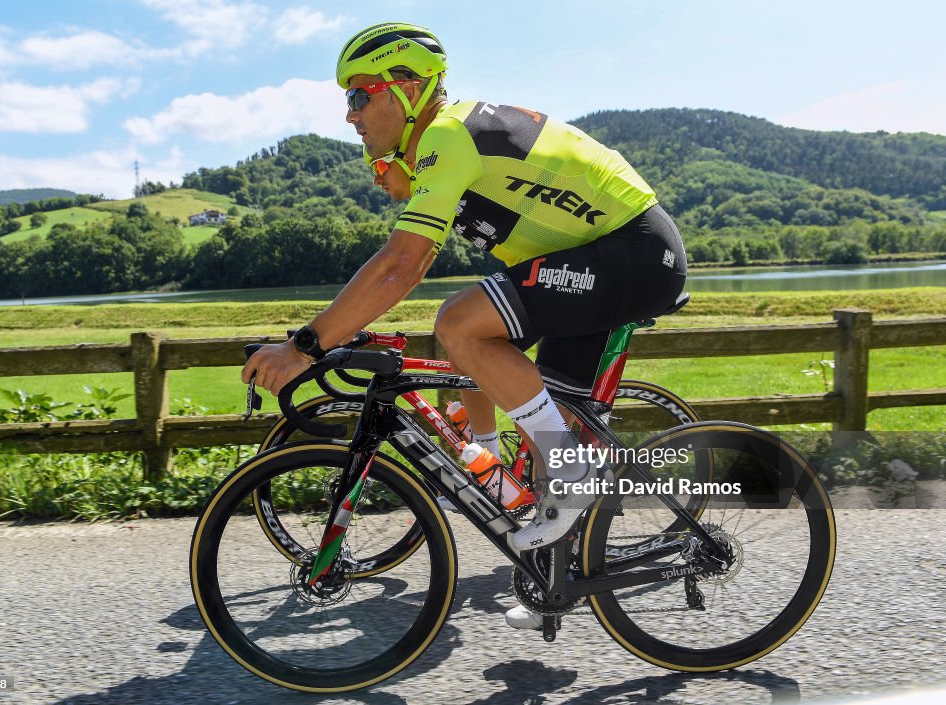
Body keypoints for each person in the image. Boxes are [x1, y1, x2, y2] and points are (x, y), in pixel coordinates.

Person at [242, 22, 688, 629]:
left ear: (405, 87)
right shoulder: (445, 150)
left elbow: (402, 264)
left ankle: (564, 465)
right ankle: (553, 583)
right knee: (533, 420)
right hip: (598, 258)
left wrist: (306, 345)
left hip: (631, 252)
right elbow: (410, 251)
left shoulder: (448, 135)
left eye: (358, 95)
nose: (349, 116)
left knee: (460, 324)